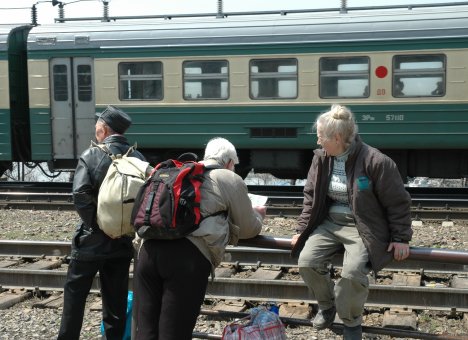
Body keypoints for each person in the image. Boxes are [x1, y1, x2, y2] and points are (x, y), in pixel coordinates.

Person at [291, 104, 412, 340]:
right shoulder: (321, 159)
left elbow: (398, 202)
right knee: (306, 261)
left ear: (337, 138)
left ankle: (351, 323)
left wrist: (400, 238)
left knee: (352, 273)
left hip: (362, 226)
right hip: (328, 223)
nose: (318, 142)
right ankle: (328, 307)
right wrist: (301, 230)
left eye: (320, 137)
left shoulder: (376, 162)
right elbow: (310, 197)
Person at [133, 137, 266, 340]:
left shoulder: (180, 172)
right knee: (173, 333)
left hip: (147, 253)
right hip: (186, 259)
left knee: (146, 332)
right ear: (229, 162)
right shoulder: (228, 178)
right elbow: (249, 229)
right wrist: (259, 215)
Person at [58, 105, 146, 340]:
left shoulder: (92, 155)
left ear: (104, 130)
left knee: (75, 299)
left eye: (97, 125)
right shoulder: (137, 157)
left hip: (90, 242)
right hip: (122, 243)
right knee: (115, 303)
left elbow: (80, 194)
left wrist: (98, 225)